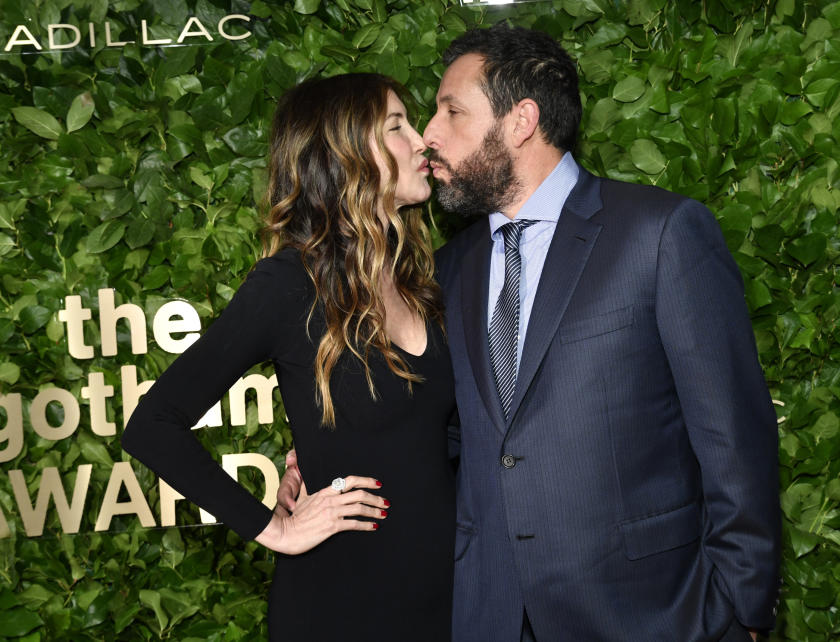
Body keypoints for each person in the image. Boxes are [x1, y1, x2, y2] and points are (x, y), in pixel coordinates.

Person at [281, 25, 781, 641]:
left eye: (451, 111)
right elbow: (453, 432)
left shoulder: (660, 234)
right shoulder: (450, 268)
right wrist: (337, 455)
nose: (429, 136)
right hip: (488, 613)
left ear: (521, 120)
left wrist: (743, 612)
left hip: (650, 615)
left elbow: (733, 435)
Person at [122, 73, 456, 641]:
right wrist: (272, 528)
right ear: (347, 153)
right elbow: (152, 425)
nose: (420, 140)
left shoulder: (424, 279)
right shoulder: (288, 284)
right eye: (396, 127)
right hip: (342, 607)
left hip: (448, 601)